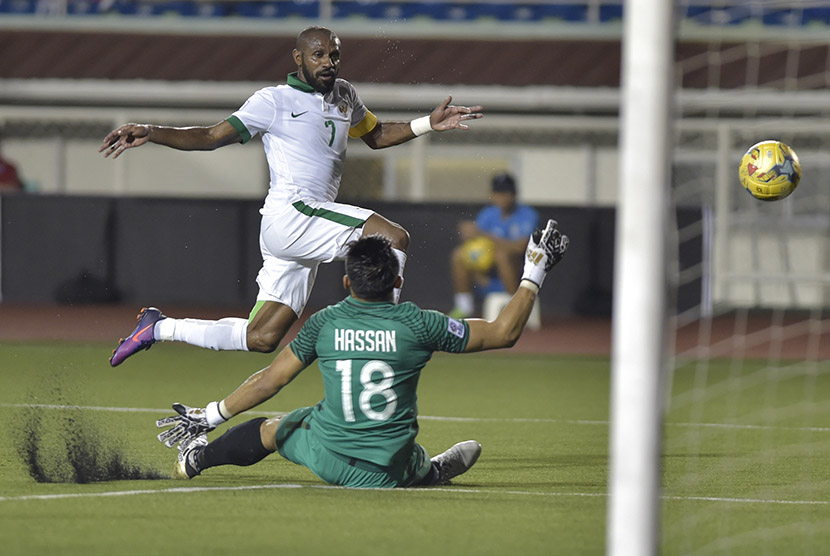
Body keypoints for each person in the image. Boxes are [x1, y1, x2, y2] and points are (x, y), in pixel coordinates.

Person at [99, 25, 483, 367]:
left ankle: (158, 328)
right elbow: (211, 136)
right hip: (294, 212)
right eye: (318, 55)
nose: (328, 62)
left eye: (334, 54)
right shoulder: (273, 101)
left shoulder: (345, 94)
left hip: (299, 229)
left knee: (262, 337)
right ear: (298, 58)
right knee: (393, 237)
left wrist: (426, 124)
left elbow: (376, 134)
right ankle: (385, 334)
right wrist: (152, 130)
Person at [155, 220, 568, 488]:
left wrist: (210, 415)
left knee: (273, 428)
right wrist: (535, 270)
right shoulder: (420, 324)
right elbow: (503, 332)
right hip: (390, 469)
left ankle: (196, 460)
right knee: (401, 452)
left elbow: (270, 380)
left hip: (330, 460)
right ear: (398, 280)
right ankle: (430, 471)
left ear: (348, 281)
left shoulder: (324, 323)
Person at [450, 173, 538, 319]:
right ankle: (464, 307)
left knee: (501, 254)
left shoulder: (528, 214)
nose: (502, 197)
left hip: (518, 272)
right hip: (488, 272)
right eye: (498, 193)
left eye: (506, 193)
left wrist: (483, 234)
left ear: (514, 194)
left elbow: (520, 248)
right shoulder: (488, 214)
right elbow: (475, 245)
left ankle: (515, 308)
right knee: (459, 255)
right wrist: (468, 235)